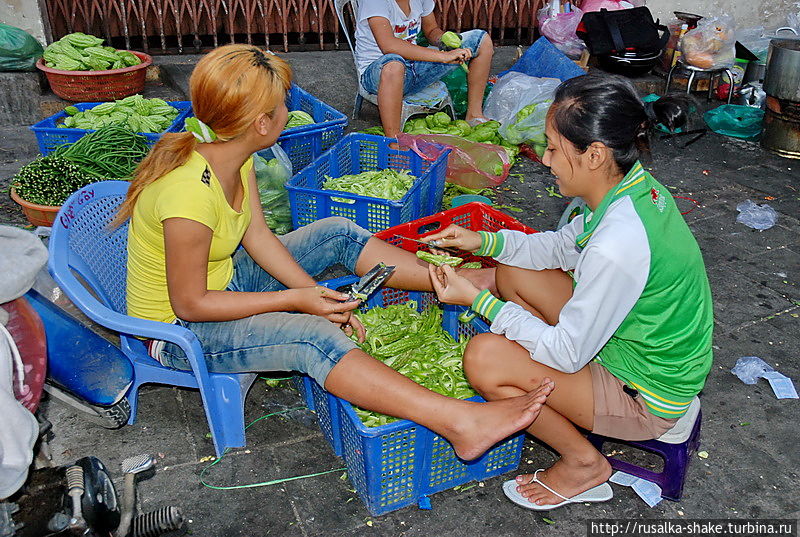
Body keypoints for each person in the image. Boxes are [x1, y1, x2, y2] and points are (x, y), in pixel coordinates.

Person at [112, 44, 552, 461]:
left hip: (222, 284)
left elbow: (259, 238)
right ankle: (460, 423)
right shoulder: (189, 196)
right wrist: (299, 302)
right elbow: (190, 304)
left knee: (335, 233)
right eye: (283, 104)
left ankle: (470, 284)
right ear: (261, 123)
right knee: (312, 338)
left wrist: (315, 295)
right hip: (175, 333)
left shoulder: (232, 155)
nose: (288, 111)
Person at [423, 74, 713, 508]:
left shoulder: (619, 244)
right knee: (514, 272)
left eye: (554, 148)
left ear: (594, 154)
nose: (544, 158)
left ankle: (585, 464)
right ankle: (557, 395)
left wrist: (478, 301)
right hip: (636, 349)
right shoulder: (629, 190)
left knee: (484, 358)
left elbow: (565, 353)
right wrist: (480, 242)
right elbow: (560, 246)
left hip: (648, 394)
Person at [354, 0, 494, 138]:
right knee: (394, 65)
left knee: (481, 40)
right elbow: (388, 45)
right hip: (378, 74)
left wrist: (444, 41)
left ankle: (474, 115)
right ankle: (393, 141)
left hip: (414, 67)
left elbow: (431, 30)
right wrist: (443, 56)